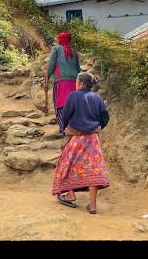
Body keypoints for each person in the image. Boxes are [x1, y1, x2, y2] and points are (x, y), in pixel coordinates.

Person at [52, 72, 110, 215]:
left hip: (76, 137)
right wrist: (98, 127)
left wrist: (63, 128)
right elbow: (105, 117)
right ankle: (93, 205)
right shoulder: (97, 97)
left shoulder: (73, 96)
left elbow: (65, 115)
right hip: (93, 139)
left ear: (81, 84)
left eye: (76, 82)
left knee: (67, 164)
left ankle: (70, 194)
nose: (75, 84)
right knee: (93, 168)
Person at [44, 32, 80, 132]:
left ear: (60, 40)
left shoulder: (56, 49)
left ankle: (64, 129)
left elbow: (51, 66)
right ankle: (75, 127)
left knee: (61, 104)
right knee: (74, 106)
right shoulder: (74, 52)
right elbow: (78, 69)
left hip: (61, 83)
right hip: (74, 83)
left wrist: (46, 80)